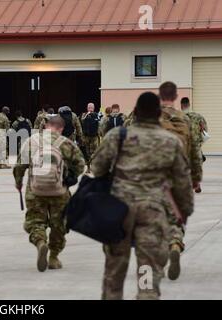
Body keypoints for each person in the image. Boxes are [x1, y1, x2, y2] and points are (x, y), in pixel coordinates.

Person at [91, 92, 194, 300]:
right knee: (147, 270)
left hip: (119, 212)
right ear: (158, 114)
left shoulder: (117, 136)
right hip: (152, 211)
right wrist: (184, 210)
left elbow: (97, 168)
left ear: (135, 113)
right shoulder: (170, 141)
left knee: (114, 271)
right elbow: (183, 182)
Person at [13, 115, 85, 272]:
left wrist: (18, 182)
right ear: (61, 128)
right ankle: (53, 257)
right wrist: (70, 179)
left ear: (46, 126)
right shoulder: (66, 143)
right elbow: (80, 164)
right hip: (59, 191)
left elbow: (19, 166)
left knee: (35, 221)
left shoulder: (32, 141)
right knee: (59, 223)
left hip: (35, 190)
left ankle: (40, 242)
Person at [158, 82, 203, 280]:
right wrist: (196, 180)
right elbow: (195, 152)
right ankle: (175, 242)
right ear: (175, 97)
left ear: (160, 96)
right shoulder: (186, 120)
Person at [181, 97, 208, 166]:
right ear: (189, 104)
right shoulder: (199, 117)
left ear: (181, 105)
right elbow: (205, 133)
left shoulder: (178, 117)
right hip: (196, 150)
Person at [81, 103, 100, 169]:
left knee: (93, 152)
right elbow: (82, 121)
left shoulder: (97, 115)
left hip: (94, 137)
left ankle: (92, 166)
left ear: (94, 108)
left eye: (91, 107)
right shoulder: (84, 115)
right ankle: (89, 167)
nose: (90, 108)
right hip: (86, 136)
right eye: (89, 107)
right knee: (87, 152)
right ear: (87, 108)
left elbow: (100, 124)